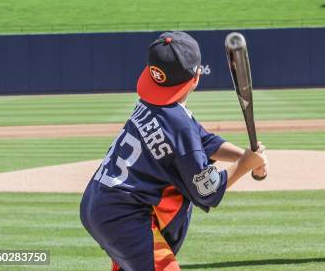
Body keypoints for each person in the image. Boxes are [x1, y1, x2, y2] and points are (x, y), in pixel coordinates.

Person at [80, 31, 268, 271]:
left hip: (101, 204)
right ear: (197, 76)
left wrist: (245, 156)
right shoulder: (179, 123)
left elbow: (203, 141)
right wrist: (244, 166)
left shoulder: (155, 104)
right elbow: (207, 190)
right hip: (124, 216)